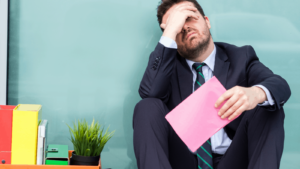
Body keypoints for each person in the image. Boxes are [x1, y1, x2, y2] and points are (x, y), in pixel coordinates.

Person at [133, 0, 291, 169]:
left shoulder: (240, 57)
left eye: (189, 18)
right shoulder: (166, 69)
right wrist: (170, 30)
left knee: (268, 103)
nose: (185, 27)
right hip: (183, 161)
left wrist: (255, 93)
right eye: (177, 23)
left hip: (233, 160)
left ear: (207, 22)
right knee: (147, 106)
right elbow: (149, 93)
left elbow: (279, 85)